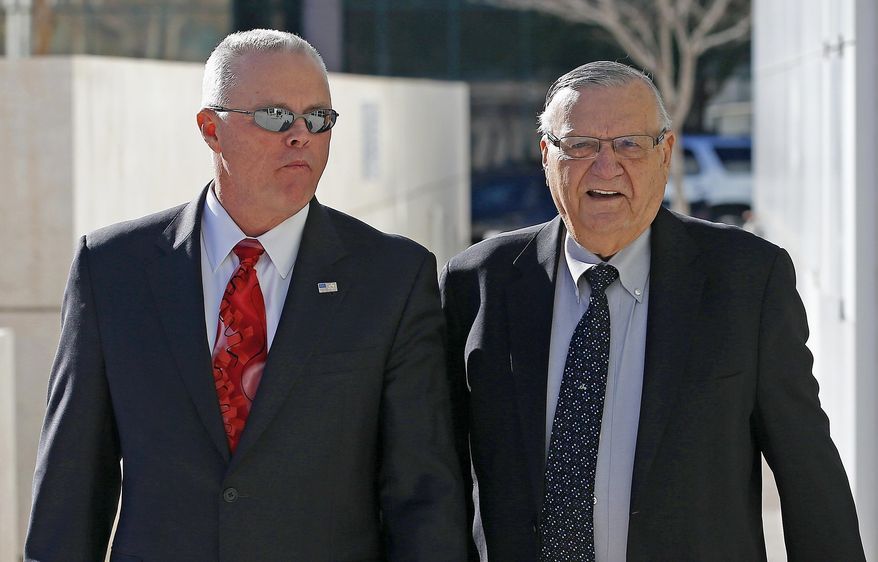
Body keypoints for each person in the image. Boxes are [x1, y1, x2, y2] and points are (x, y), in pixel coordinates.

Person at [25, 29, 466, 561]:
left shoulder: (393, 277)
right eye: (276, 117)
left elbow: (424, 496)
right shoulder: (113, 268)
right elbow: (71, 487)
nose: (301, 135)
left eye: (318, 118)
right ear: (211, 129)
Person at [440, 61, 865, 561]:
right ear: (546, 156)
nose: (605, 167)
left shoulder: (747, 280)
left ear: (665, 153)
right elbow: (434, 473)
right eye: (580, 145)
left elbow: (806, 469)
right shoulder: (478, 281)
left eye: (629, 144)